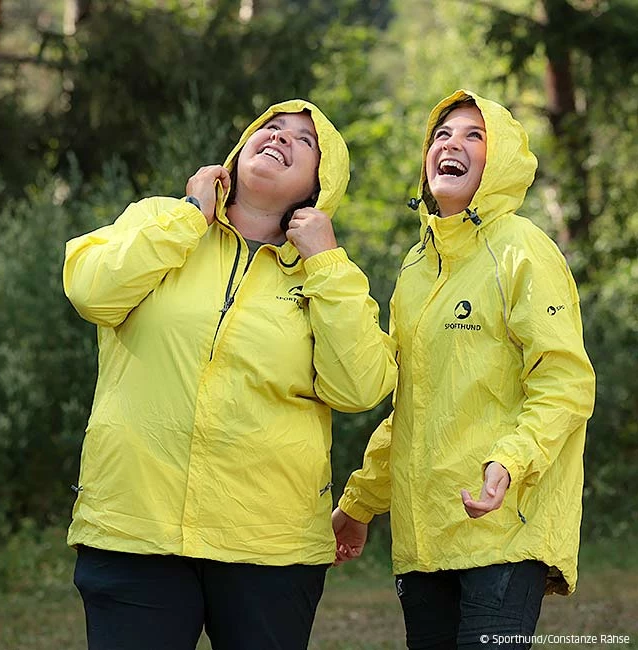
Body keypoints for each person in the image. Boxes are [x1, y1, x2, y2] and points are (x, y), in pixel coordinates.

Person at [63, 98, 397, 650]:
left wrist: (325, 261)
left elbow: (359, 387)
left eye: (304, 141)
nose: (281, 138)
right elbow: (92, 292)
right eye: (273, 127)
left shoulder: (327, 274)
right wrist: (190, 214)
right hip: (134, 530)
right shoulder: (159, 219)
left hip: (270, 545)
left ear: (319, 187)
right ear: (240, 150)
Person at [332, 89, 596, 649]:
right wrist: (360, 504)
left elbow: (566, 384)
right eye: (442, 134)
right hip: (424, 540)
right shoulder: (416, 267)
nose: (452, 144)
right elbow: (411, 409)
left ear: (498, 161)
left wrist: (510, 462)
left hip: (503, 531)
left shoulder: (523, 249)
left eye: (475, 135)